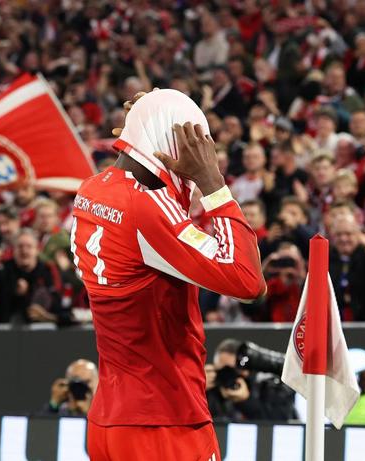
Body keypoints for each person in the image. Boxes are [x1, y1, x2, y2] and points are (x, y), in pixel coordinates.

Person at [72, 90, 265, 461]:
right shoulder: (146, 209)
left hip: (108, 421)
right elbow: (248, 281)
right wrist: (212, 182)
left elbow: (159, 208)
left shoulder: (92, 189)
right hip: (164, 421)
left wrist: (150, 119)